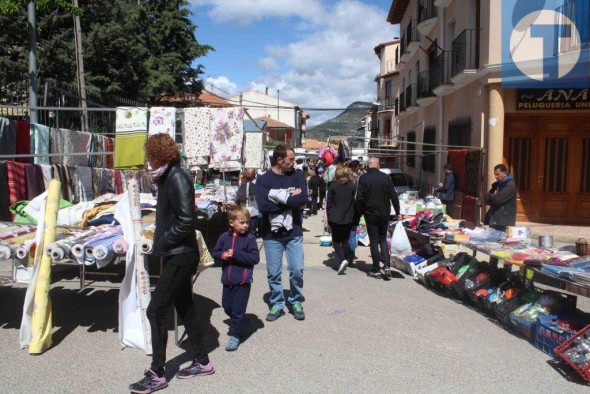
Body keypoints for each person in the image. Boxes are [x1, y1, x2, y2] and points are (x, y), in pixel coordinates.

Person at [129, 134, 213, 394]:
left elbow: (188, 220)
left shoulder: (177, 176)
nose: (147, 159)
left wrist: (163, 241)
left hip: (180, 254)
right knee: (185, 307)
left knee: (156, 310)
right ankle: (202, 362)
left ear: (158, 153)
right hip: (177, 252)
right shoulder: (168, 176)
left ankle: (157, 373)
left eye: (149, 154)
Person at [256, 144, 309, 321]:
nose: (294, 162)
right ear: (279, 160)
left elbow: (303, 199)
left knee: (297, 269)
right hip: (271, 234)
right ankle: (277, 304)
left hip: (294, 230)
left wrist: (277, 197)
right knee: (274, 272)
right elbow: (263, 206)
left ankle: (295, 300)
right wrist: (289, 198)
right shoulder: (264, 180)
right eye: (291, 159)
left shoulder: (297, 175)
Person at [212, 205, 260, 351]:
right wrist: (222, 255)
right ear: (232, 223)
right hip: (227, 279)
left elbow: (255, 258)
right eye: (242, 222)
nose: (245, 225)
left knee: (238, 310)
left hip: (242, 281)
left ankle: (235, 335)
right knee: (227, 306)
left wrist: (236, 254)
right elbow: (215, 252)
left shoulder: (250, 239)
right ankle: (240, 321)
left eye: (247, 222)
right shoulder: (223, 237)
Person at [356, 157, 401, 280]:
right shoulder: (385, 177)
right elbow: (393, 194)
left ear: (368, 165)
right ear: (378, 164)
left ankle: (376, 269)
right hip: (384, 213)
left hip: (370, 214)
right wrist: (397, 211)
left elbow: (359, 198)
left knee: (374, 241)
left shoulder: (363, 178)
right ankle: (387, 266)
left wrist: (361, 211)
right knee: (383, 239)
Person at [327, 166, 358, 275]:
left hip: (335, 217)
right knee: (344, 240)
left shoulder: (333, 186)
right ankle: (348, 255)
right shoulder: (352, 187)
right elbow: (355, 204)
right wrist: (355, 219)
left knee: (336, 241)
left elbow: (329, 204)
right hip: (348, 217)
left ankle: (342, 259)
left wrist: (329, 218)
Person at [484, 164, 517, 232]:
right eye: (495, 174)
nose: (496, 177)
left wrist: (491, 197)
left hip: (503, 221)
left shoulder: (510, 185)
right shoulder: (497, 185)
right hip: (495, 219)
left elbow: (497, 200)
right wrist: (491, 197)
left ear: (504, 173)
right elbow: (486, 198)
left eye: (497, 174)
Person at [235, 168, 259, 236]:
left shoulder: (253, 184)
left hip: (252, 209)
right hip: (244, 209)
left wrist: (247, 197)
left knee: (252, 228)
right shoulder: (241, 185)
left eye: (242, 178)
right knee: (244, 227)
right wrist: (240, 197)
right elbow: (237, 195)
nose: (241, 179)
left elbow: (256, 194)